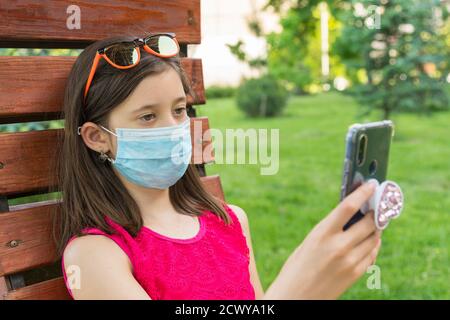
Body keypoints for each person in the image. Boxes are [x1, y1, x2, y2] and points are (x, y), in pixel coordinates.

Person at [58, 33, 381, 300]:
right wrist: (302, 287)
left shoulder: (230, 221)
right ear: (97, 137)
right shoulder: (93, 257)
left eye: (180, 110)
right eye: (147, 116)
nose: (173, 128)